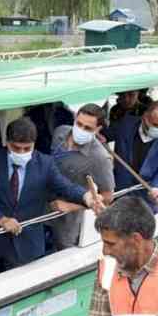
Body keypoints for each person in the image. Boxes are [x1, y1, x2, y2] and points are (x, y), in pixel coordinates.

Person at [0, 117, 104, 276]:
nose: (21, 153)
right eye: (16, 148)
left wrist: (86, 197)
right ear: (7, 142)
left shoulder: (45, 164)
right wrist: (1, 219)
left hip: (28, 246)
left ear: (34, 144)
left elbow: (65, 186)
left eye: (27, 148)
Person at [49, 103, 115, 250]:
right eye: (79, 124)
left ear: (98, 129)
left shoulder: (100, 158)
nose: (81, 130)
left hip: (67, 224)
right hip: (42, 211)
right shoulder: (60, 132)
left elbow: (108, 196)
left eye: (88, 128)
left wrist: (70, 207)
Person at [112, 101, 158, 210]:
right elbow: (107, 134)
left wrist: (156, 188)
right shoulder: (126, 125)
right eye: (156, 125)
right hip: (120, 192)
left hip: (146, 199)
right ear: (145, 118)